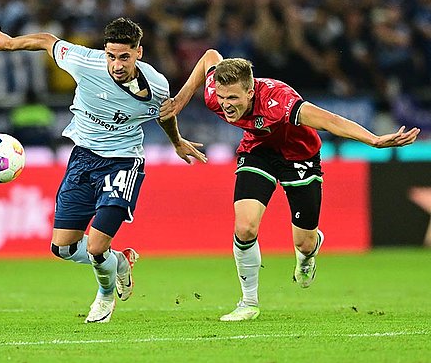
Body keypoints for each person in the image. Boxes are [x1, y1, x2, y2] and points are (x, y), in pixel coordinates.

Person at [159, 49, 420, 321]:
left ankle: (309, 252)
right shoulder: (216, 93)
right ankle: (248, 302)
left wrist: (374, 140)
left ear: (250, 92)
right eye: (222, 97)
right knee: (245, 226)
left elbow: (331, 121)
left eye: (233, 98)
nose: (225, 104)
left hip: (300, 156)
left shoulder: (279, 101)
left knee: (304, 243)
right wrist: (180, 100)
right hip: (258, 150)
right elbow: (210, 56)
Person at [0, 18, 207, 323]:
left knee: (95, 246)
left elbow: (165, 114)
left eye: (124, 57)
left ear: (139, 53)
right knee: (62, 248)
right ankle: (119, 261)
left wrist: (176, 141)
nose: (117, 64)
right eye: (111, 56)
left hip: (122, 162)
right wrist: (9, 43)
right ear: (104, 52)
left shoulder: (156, 85)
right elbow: (47, 41)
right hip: (82, 159)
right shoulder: (84, 62)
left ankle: (104, 297)